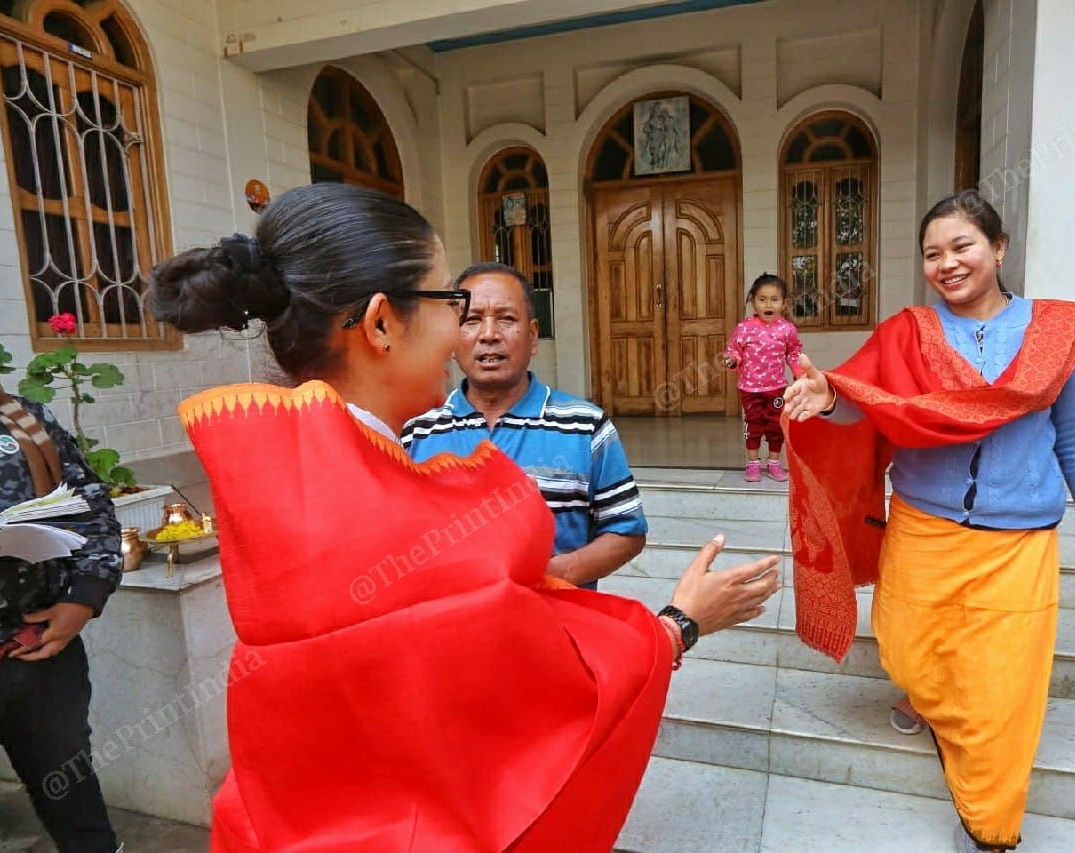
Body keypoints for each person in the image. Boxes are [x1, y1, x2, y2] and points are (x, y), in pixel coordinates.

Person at [144, 183, 781, 852]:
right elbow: (545, 711)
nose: (467, 332)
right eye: (451, 302)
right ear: (383, 323)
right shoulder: (416, 522)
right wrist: (678, 624)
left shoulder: (273, 486)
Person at [782, 189, 1075, 853]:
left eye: (962, 246)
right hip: (923, 530)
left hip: (1016, 544)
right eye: (933, 253)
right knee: (905, 645)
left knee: (1003, 692)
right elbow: (865, 403)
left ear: (998, 248)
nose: (948, 262)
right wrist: (829, 399)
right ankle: (940, 706)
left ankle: (989, 829)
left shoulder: (1058, 334)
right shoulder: (907, 333)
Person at [403, 262, 645, 590]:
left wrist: (555, 574)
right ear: (451, 335)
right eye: (472, 320)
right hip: (451, 632)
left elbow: (627, 530)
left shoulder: (585, 426)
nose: (489, 335)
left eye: (506, 319)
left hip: (556, 629)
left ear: (532, 336)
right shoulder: (416, 431)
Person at [0, 351, 122, 852]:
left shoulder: (21, 420)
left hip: (40, 651)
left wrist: (84, 596)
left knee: (73, 798)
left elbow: (91, 507)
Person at [722, 273, 804, 482]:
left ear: (784, 304)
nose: (768, 304)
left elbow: (793, 353)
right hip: (750, 391)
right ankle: (753, 464)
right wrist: (732, 359)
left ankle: (774, 464)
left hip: (777, 389)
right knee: (753, 426)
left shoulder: (787, 329)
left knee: (776, 426)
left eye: (774, 300)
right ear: (753, 302)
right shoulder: (744, 328)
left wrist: (798, 372)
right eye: (762, 299)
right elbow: (735, 350)